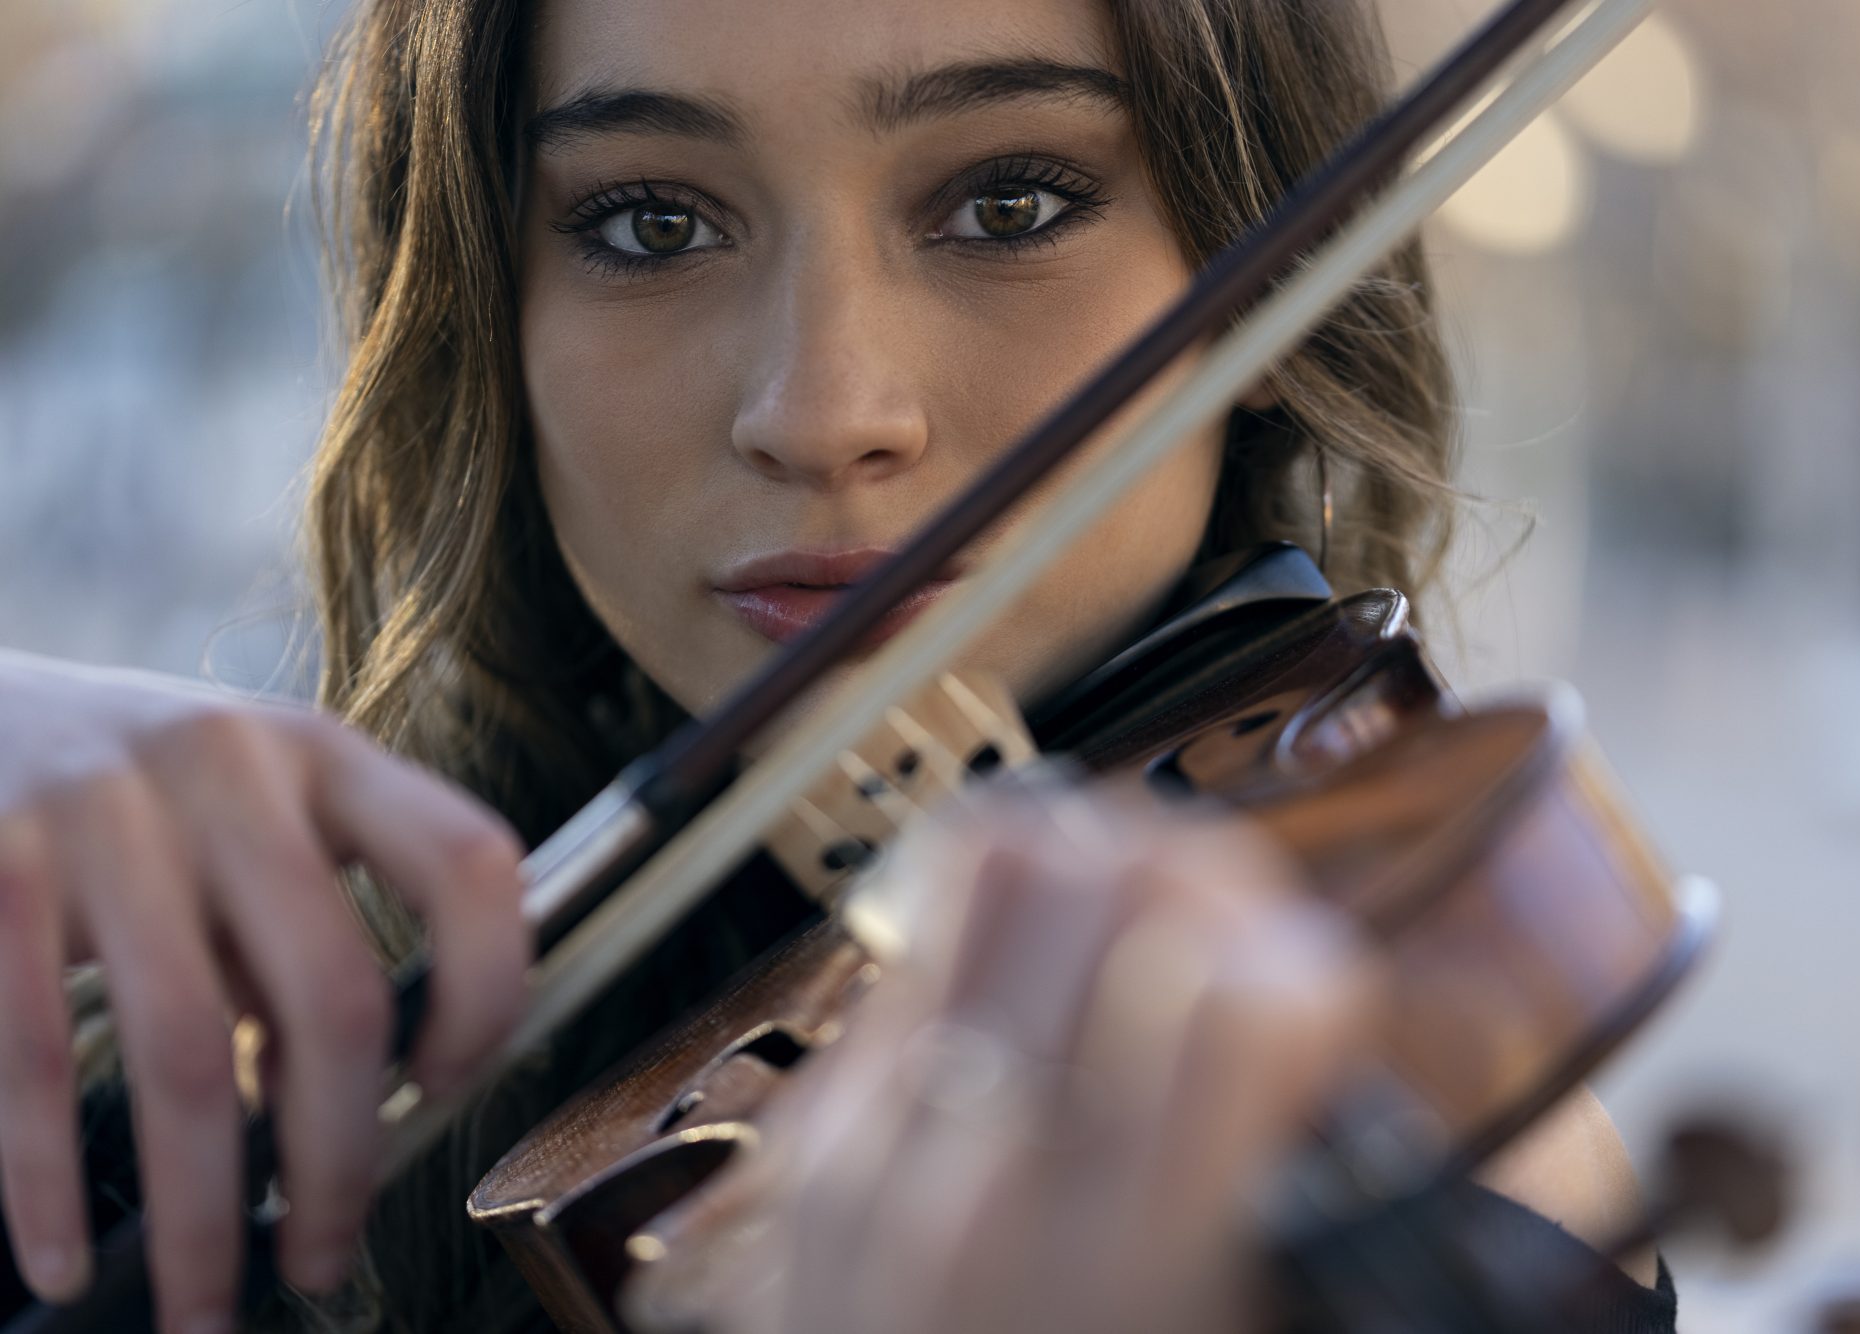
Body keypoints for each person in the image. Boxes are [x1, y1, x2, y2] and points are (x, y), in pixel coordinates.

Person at [0, 0, 1675, 1330]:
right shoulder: (198, 1050)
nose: (821, 410)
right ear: (490, 313)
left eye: (1009, 202)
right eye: (653, 222)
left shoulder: (1394, 1125)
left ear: (1272, 273)